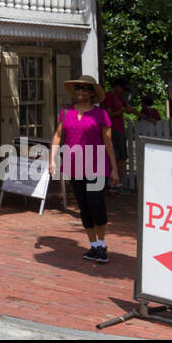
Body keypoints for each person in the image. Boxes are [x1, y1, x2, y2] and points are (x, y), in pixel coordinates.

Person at [49, 75, 118, 264]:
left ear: (92, 93)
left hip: (97, 165)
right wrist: (52, 160)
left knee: (96, 203)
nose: (81, 92)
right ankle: (93, 245)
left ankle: (102, 244)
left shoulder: (101, 114)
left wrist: (114, 169)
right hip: (74, 166)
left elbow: (108, 142)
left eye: (85, 89)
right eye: (78, 88)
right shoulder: (66, 113)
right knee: (84, 206)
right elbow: (57, 136)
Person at [100, 78, 131, 191]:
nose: (123, 91)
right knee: (118, 157)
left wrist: (146, 117)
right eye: (122, 88)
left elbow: (128, 108)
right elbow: (109, 114)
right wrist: (123, 111)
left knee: (121, 157)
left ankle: (116, 182)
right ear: (117, 86)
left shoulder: (118, 97)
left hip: (120, 130)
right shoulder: (109, 96)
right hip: (113, 129)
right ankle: (114, 184)